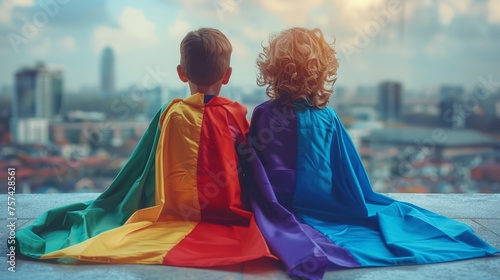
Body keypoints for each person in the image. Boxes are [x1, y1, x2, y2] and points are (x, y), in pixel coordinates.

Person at [242, 27, 499, 280]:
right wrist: (356, 201)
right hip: (324, 201)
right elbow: (347, 170)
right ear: (319, 72)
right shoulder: (328, 116)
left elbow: (256, 170)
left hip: (281, 203)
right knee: (382, 216)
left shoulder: (264, 114)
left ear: (273, 71)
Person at [16, 28, 274, 267]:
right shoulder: (236, 114)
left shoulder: (169, 113)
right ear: (227, 75)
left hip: (171, 213)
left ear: (181, 72)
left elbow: (142, 166)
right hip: (227, 215)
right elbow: (251, 167)